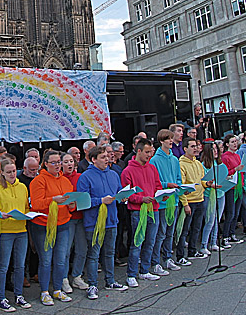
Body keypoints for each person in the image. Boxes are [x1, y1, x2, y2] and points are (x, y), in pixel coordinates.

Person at [76, 144, 126, 298]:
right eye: (103, 157)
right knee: (94, 254)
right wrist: (101, 200)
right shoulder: (85, 177)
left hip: (111, 220)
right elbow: (82, 201)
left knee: (110, 252)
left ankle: (110, 281)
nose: (107, 159)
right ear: (93, 159)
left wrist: (122, 197)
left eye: (107, 156)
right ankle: (92, 285)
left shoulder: (113, 175)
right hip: (94, 222)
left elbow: (118, 192)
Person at [28, 150, 76, 305]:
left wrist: (72, 205)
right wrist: (53, 200)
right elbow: (36, 204)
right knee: (46, 260)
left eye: (59, 162)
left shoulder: (65, 181)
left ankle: (57, 290)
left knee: (61, 259)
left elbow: (71, 206)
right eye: (54, 162)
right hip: (43, 225)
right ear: (46, 164)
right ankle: (44, 291)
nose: (57, 165)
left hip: (63, 224)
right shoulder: (39, 181)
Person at [0, 158, 31, 311]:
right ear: (2, 173)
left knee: (20, 265)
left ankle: (19, 295)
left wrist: (28, 214)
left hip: (21, 230)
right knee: (3, 265)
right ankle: (1, 298)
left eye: (14, 171)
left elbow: (26, 206)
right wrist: (0, 214)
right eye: (8, 172)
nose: (12, 174)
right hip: (5, 231)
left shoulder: (23, 187)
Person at [120, 137, 162, 286]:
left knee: (150, 241)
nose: (149, 155)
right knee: (137, 242)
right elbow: (127, 193)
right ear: (138, 151)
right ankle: (131, 274)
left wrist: (160, 195)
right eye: (146, 152)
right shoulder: (128, 171)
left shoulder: (152, 168)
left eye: (150, 152)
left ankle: (144, 271)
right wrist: (141, 199)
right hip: (138, 211)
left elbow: (158, 186)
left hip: (153, 209)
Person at [150, 128, 182, 272]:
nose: (171, 141)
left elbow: (178, 179)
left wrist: (179, 186)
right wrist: (166, 185)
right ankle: (156, 261)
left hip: (173, 200)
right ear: (162, 141)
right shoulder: (155, 160)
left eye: (171, 138)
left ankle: (168, 258)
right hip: (162, 201)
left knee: (170, 232)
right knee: (161, 233)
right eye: (168, 139)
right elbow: (155, 182)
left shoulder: (175, 159)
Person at [61, 152, 88, 293]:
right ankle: (64, 278)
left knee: (82, 248)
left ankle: (77, 276)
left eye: (71, 161)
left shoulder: (80, 177)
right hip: (67, 219)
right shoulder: (59, 179)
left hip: (80, 216)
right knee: (65, 250)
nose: (69, 164)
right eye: (66, 162)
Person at [177, 138, 206, 261]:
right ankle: (180, 255)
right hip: (189, 201)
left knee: (196, 228)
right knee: (184, 230)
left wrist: (208, 184)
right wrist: (185, 203)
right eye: (193, 146)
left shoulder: (198, 163)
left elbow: (202, 180)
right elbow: (181, 185)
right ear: (185, 149)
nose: (196, 148)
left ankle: (192, 251)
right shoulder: (181, 164)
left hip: (200, 199)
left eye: (197, 146)